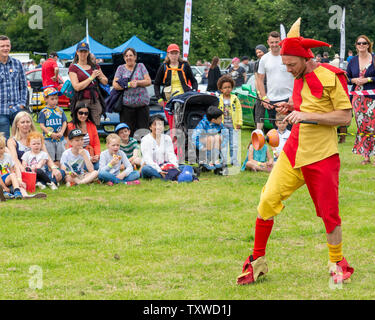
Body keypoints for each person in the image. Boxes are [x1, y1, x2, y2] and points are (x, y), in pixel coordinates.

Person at [237, 18, 354, 286]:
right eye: (285, 65)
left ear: (305, 58)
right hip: (293, 152)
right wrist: (289, 107)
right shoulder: (298, 76)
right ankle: (257, 262)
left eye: (291, 64)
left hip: (322, 155)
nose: (288, 70)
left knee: (329, 213)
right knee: (267, 201)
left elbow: (344, 117)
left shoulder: (331, 76)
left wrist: (304, 115)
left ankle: (337, 263)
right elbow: (303, 104)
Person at [7, 111, 62, 198]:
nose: (26, 124)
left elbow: (46, 156)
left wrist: (54, 168)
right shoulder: (12, 141)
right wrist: (24, 171)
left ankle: (39, 183)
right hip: (24, 171)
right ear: (17, 124)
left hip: (41, 170)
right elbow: (15, 159)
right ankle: (38, 183)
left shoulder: (37, 137)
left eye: (28, 122)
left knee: (59, 173)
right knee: (20, 182)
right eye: (22, 122)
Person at [346, 35, 375, 164]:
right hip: (357, 98)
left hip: (372, 97)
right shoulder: (352, 61)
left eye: (364, 43)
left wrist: (368, 79)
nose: (361, 45)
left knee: (373, 126)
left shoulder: (374, 59)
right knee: (362, 126)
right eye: (359, 43)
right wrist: (354, 80)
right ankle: (366, 156)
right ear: (356, 45)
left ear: (368, 45)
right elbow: (347, 77)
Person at [154, 44, 198, 128]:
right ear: (168, 54)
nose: (174, 56)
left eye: (176, 53)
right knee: (172, 125)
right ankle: (173, 140)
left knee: (184, 123)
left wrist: (194, 92)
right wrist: (159, 98)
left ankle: (185, 140)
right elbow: (156, 84)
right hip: (168, 100)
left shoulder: (185, 65)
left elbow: (193, 81)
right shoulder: (163, 67)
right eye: (172, 53)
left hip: (184, 98)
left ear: (179, 54)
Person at [256, 31, 294, 129]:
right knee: (276, 134)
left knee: (290, 131)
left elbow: (297, 77)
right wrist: (264, 98)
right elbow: (259, 80)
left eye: (277, 42)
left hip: (289, 100)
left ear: (281, 42)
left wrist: (293, 97)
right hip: (272, 101)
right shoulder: (264, 59)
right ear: (268, 42)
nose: (274, 45)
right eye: (272, 42)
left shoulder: (288, 55)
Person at [112, 48, 151, 136]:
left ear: (135, 57)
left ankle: (144, 149)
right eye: (126, 56)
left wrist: (138, 83)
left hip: (142, 106)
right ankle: (128, 149)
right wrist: (128, 84)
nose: (128, 58)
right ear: (124, 58)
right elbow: (115, 85)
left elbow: (148, 81)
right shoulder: (120, 68)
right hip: (127, 107)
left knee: (144, 132)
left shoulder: (141, 66)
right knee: (127, 132)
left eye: (130, 55)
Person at [68, 41, 108, 126]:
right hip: (81, 100)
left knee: (95, 126)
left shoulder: (95, 66)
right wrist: (91, 77)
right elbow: (76, 87)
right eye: (81, 51)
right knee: (80, 127)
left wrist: (99, 76)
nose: (83, 54)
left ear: (88, 52)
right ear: (77, 52)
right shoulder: (73, 67)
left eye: (85, 51)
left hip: (95, 100)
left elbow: (105, 81)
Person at [0, 35, 27, 140]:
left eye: (7, 45)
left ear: (10, 46)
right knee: (3, 142)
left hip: (17, 109)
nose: (5, 48)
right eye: (2, 46)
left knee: (22, 139)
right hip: (1, 111)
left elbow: (24, 86)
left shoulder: (17, 63)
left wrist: (22, 104)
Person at [140, 114, 178, 179]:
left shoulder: (167, 138)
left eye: (160, 124)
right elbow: (148, 159)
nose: (158, 127)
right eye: (155, 124)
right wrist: (159, 170)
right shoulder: (145, 139)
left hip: (166, 167)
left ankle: (165, 176)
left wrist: (174, 166)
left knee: (184, 166)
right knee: (145, 169)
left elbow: (171, 155)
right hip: (152, 167)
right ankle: (170, 176)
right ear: (150, 127)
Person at [38, 87, 67, 166]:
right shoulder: (43, 112)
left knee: (61, 157)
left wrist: (62, 132)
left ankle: (62, 172)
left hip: (59, 138)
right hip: (48, 139)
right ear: (46, 99)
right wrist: (50, 133)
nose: (55, 101)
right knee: (50, 157)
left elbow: (64, 122)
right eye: (52, 99)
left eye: (56, 98)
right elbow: (41, 125)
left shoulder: (60, 110)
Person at [217, 75, 242, 166]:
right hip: (223, 126)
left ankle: (234, 160)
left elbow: (239, 111)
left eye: (229, 87)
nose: (227, 89)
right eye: (225, 87)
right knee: (224, 145)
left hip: (233, 125)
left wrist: (239, 122)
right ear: (221, 89)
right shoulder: (218, 99)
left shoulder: (235, 99)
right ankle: (223, 161)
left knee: (234, 144)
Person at [192, 106, 227, 171]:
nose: (221, 120)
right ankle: (206, 160)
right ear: (213, 120)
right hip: (202, 142)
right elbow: (194, 137)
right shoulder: (202, 124)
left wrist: (222, 144)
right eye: (220, 118)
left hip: (213, 142)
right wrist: (201, 147)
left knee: (217, 137)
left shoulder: (219, 124)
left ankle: (216, 160)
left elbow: (225, 133)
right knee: (211, 138)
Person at [67, 103, 100, 170]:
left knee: (99, 165)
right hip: (76, 157)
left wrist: (97, 155)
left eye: (86, 113)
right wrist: (85, 157)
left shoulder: (91, 125)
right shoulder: (70, 126)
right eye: (81, 113)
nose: (83, 115)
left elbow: (96, 144)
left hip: (91, 156)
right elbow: (69, 146)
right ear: (76, 113)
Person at [0, 134, 23, 199]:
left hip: (6, 177)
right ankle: (4, 192)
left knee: (12, 175)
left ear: (5, 148)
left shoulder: (7, 156)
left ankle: (17, 192)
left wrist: (15, 179)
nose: (0, 150)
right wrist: (4, 187)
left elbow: (11, 169)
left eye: (1, 148)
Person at [253, 44, 268, 130]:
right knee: (259, 113)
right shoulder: (257, 64)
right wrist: (259, 93)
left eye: (260, 52)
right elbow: (256, 79)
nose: (258, 54)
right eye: (257, 52)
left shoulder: (270, 61)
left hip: (270, 89)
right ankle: (258, 133)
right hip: (260, 89)